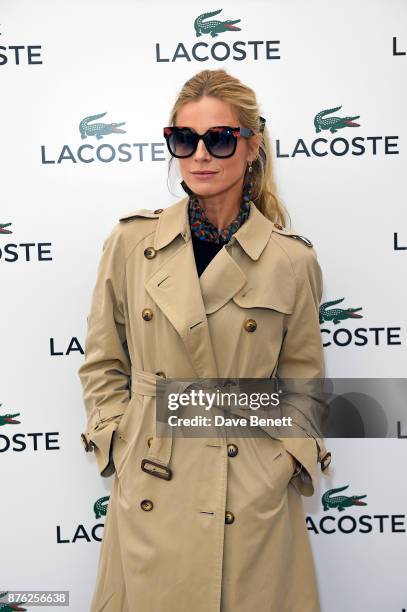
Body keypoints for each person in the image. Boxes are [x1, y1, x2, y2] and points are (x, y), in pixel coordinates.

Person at [78, 68, 332, 612]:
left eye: (219, 138)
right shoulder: (130, 244)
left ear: (251, 146)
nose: (200, 155)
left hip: (249, 486)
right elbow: (102, 361)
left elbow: (305, 378)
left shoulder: (291, 259)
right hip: (153, 475)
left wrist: (283, 462)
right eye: (184, 139)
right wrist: (116, 440)